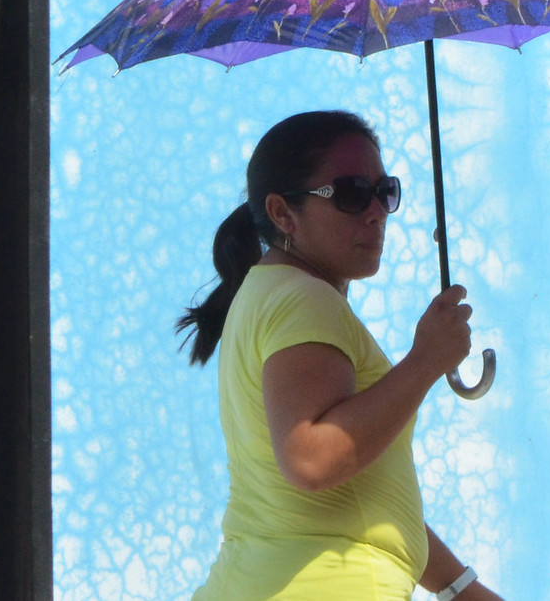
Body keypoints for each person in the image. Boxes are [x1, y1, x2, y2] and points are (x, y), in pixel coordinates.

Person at [179, 110, 505, 601]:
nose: (375, 211)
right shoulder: (303, 300)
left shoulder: (271, 293)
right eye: (351, 193)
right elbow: (312, 458)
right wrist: (424, 362)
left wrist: (461, 589)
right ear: (283, 213)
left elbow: (363, 494)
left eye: (384, 191)